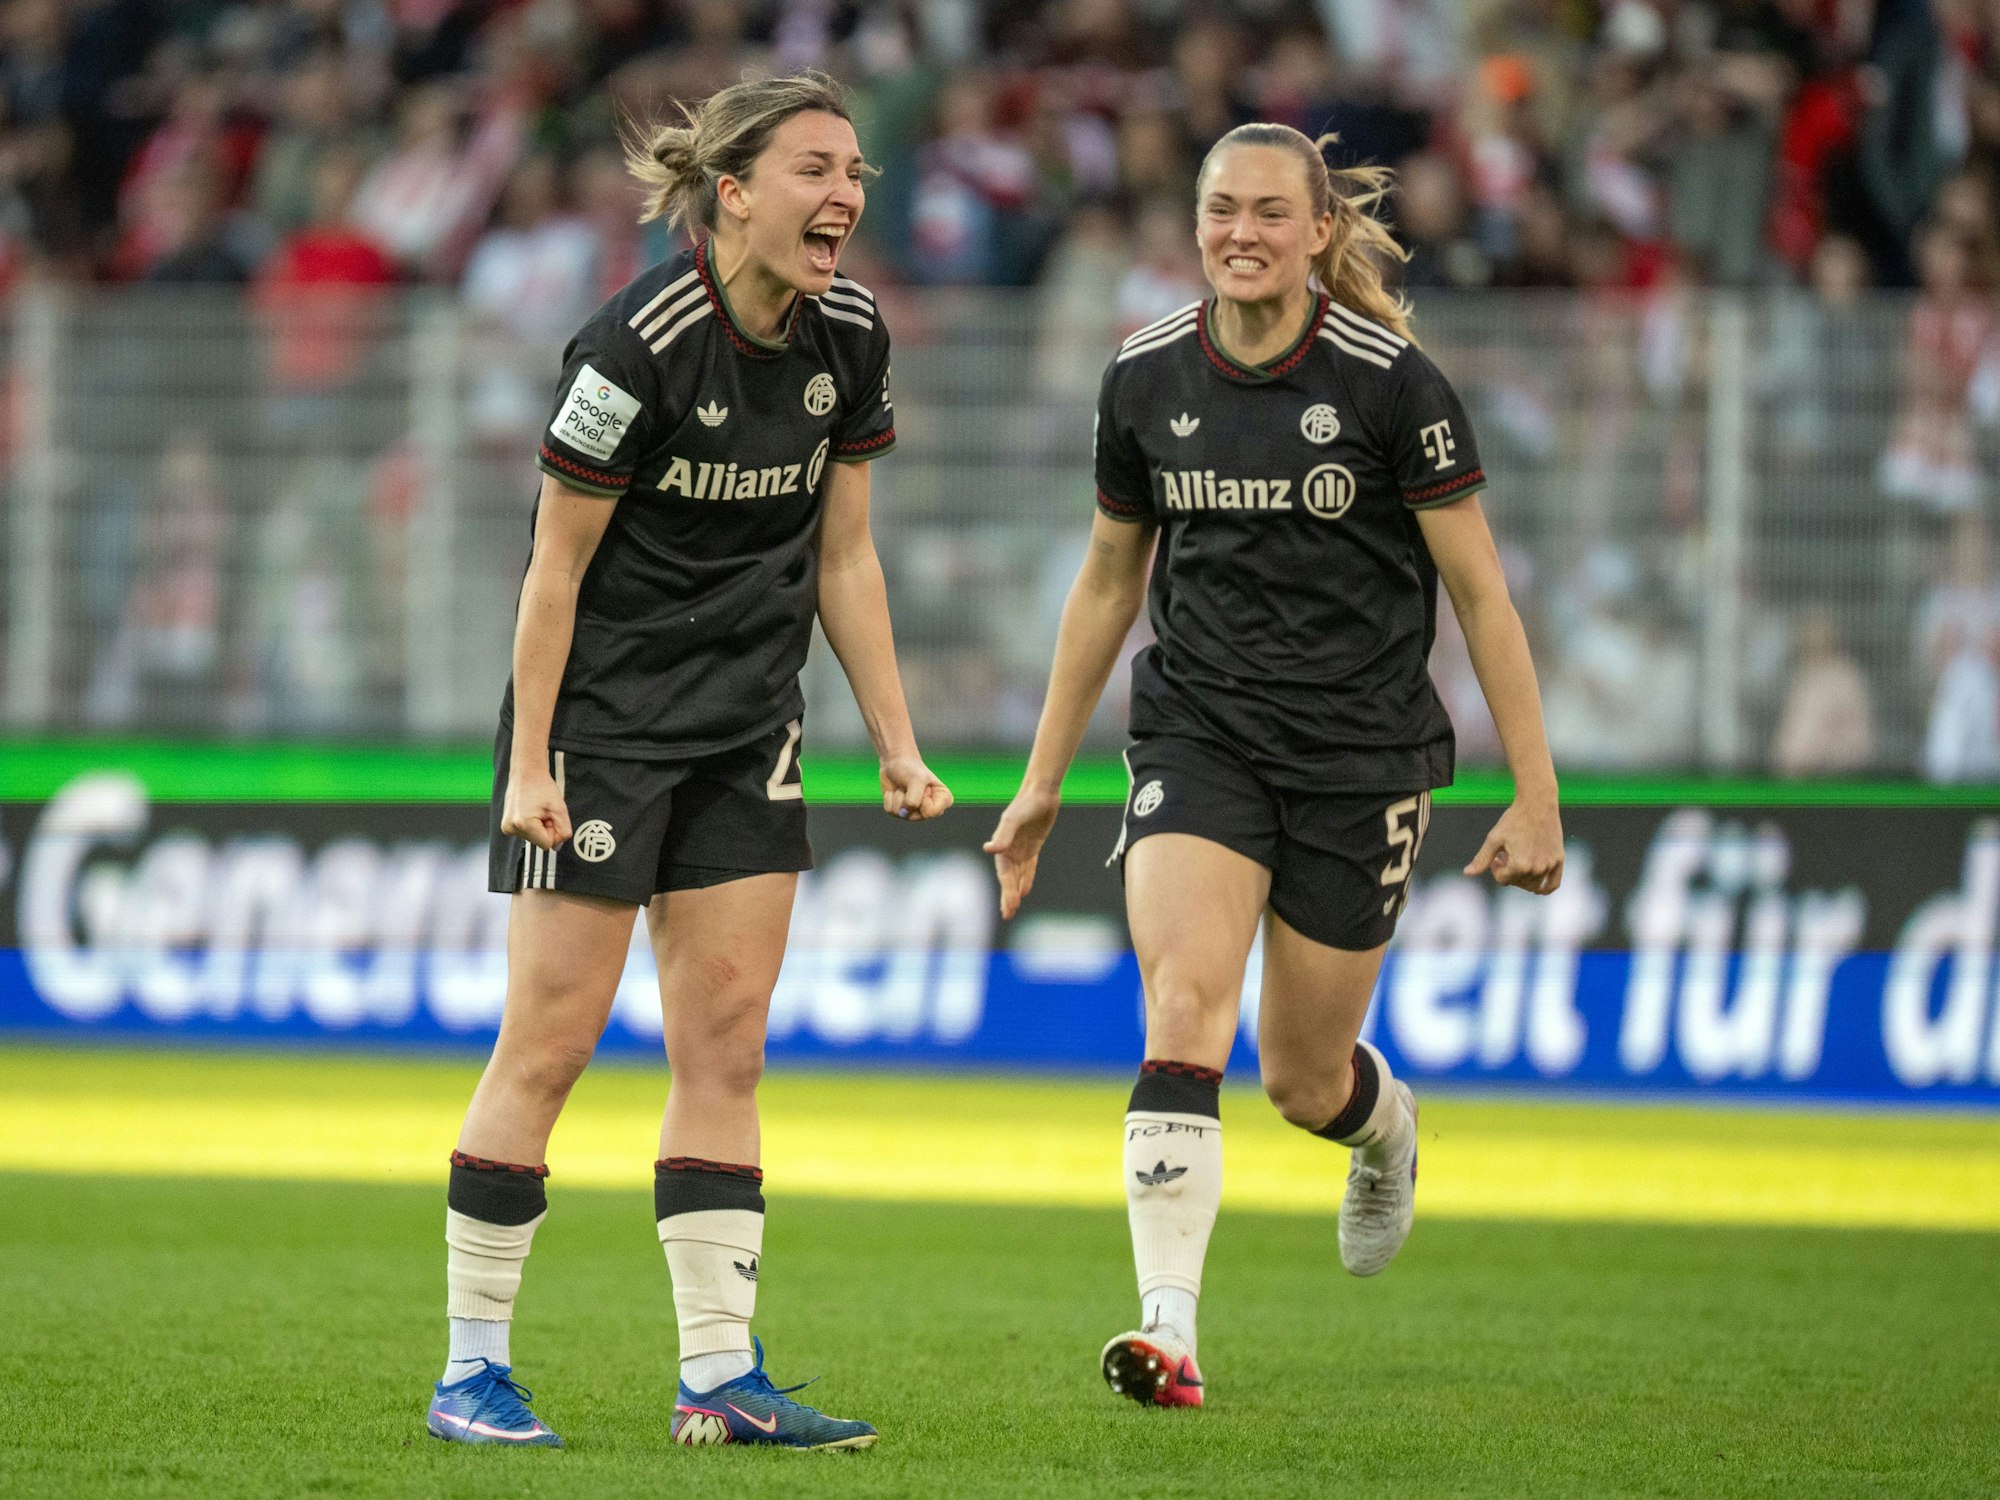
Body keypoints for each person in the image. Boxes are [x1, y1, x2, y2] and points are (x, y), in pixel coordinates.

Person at [986, 123, 1564, 1408]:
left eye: (1265, 212)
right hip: (1198, 735)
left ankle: (1383, 1128)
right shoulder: (1143, 373)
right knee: (1182, 1004)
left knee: (1302, 1079)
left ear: (1316, 232)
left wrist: (1534, 793)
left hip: (1359, 757)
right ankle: (1168, 1331)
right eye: (1218, 210)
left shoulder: (1389, 383)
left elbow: (1481, 594)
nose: (1238, 233)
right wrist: (1040, 781)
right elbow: (1106, 582)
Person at [427, 71, 951, 1453]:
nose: (845, 195)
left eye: (855, 173)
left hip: (746, 728)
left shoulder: (852, 336)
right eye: (816, 170)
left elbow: (845, 554)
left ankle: (719, 1374)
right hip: (600, 731)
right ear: (732, 193)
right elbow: (553, 568)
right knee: (550, 1043)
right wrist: (531, 764)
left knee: (727, 1044)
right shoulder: (633, 348)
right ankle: (470, 1371)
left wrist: (895, 742)